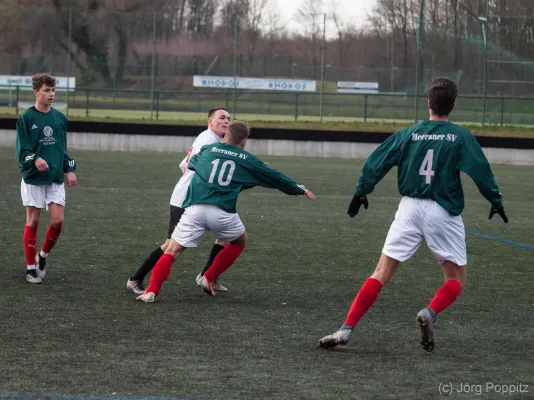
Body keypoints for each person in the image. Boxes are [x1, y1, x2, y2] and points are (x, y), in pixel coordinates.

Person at [316, 77, 508, 352]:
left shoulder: (409, 133)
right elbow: (480, 170)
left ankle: (346, 329)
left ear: (428, 104)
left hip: (409, 207)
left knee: (381, 272)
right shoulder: (460, 136)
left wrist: (362, 191)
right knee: (455, 279)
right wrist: (495, 199)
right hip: (442, 209)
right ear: (452, 106)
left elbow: (376, 161)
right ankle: (429, 313)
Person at [136, 120, 316, 303]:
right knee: (239, 241)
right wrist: (297, 188)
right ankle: (208, 276)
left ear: (226, 136)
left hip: (195, 209)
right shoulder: (247, 159)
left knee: (172, 251)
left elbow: (192, 164)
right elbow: (273, 175)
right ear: (244, 141)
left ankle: (151, 291)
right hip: (223, 213)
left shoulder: (208, 150)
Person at [126, 108, 233, 294]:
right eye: (222, 118)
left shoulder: (213, 140)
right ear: (210, 121)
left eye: (229, 119)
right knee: (171, 247)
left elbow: (184, 164)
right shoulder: (208, 139)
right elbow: (195, 166)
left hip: (200, 199)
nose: (226, 122)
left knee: (227, 234)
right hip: (186, 200)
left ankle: (207, 276)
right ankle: (136, 279)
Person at [16, 73, 77, 284]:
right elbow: (22, 150)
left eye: (53, 91)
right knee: (33, 220)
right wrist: (35, 159)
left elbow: (62, 148)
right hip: (33, 177)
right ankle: (30, 269)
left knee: (58, 221)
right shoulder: (26, 118)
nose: (51, 95)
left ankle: (42, 257)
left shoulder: (60, 118)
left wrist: (69, 169)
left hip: (54, 176)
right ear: (36, 92)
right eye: (47, 91)